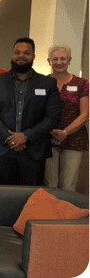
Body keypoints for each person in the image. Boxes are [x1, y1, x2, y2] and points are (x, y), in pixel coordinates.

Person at [0, 38, 61, 186]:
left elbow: (53, 117)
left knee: (30, 199)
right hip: (3, 149)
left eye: (26, 53)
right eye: (17, 52)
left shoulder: (48, 83)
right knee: (1, 198)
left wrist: (25, 136)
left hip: (34, 150)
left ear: (33, 56)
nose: (21, 56)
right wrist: (11, 138)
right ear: (12, 55)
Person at [44, 44, 88, 191]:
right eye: (54, 59)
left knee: (68, 186)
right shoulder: (42, 83)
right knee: (50, 185)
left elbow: (85, 115)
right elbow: (36, 112)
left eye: (63, 58)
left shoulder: (81, 84)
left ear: (69, 60)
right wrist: (51, 131)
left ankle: (65, 214)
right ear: (49, 61)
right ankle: (49, 214)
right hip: (47, 139)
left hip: (74, 141)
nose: (59, 62)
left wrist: (64, 133)